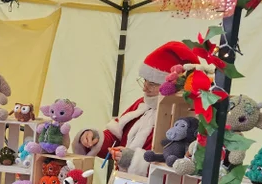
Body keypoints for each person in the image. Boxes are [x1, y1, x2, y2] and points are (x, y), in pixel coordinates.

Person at [73, 41, 199, 176]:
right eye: (144, 81)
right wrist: (93, 138)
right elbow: (114, 139)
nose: (145, 88)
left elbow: (181, 163)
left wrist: (135, 160)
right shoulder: (142, 104)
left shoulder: (187, 116)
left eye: (152, 84)